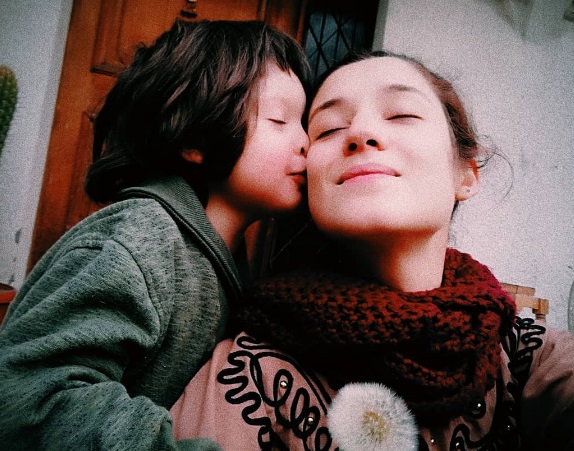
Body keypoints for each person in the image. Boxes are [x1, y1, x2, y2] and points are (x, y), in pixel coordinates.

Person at [169, 50, 574, 450]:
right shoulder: (250, 375)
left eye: (401, 115)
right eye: (328, 129)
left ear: (466, 174)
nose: (360, 134)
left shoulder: (524, 355)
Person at [0, 19, 310, 450]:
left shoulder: (226, 261)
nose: (306, 141)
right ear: (196, 139)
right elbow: (30, 399)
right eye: (280, 120)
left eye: (305, 121)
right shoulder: (139, 240)